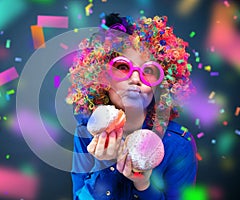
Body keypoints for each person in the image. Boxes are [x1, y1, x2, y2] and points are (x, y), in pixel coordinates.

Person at [66, 13, 198, 200]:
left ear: (160, 85)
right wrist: (104, 167)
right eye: (122, 67)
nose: (136, 79)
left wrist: (143, 185)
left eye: (149, 71)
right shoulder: (86, 134)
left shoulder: (178, 145)